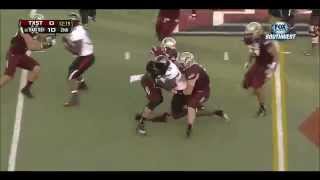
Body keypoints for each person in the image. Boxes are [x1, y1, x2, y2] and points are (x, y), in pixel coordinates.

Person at [0, 14, 55, 98]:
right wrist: (46, 45)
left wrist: (50, 37)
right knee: (8, 76)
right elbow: (31, 46)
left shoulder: (36, 30)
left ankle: (26, 89)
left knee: (36, 68)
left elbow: (40, 37)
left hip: (21, 55)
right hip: (13, 55)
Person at [176, 52, 229, 138]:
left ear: (187, 62)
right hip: (196, 88)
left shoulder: (193, 70)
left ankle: (189, 127)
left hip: (202, 91)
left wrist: (177, 90)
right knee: (188, 108)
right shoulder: (189, 67)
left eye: (182, 63)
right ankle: (213, 112)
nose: (181, 64)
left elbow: (188, 91)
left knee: (190, 106)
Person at [242, 22, 279, 117]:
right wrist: (248, 61)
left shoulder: (266, 42)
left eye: (250, 33)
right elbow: (253, 51)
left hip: (266, 65)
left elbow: (276, 56)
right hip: (258, 63)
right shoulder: (253, 40)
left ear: (257, 32)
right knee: (246, 82)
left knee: (257, 87)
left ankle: (262, 108)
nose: (248, 36)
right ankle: (256, 89)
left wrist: (272, 69)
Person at [62, 12, 95, 107]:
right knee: (72, 68)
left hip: (86, 58)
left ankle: (74, 99)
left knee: (71, 78)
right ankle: (82, 84)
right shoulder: (80, 29)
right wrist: (68, 41)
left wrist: (66, 45)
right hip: (86, 55)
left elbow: (76, 51)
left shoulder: (76, 32)